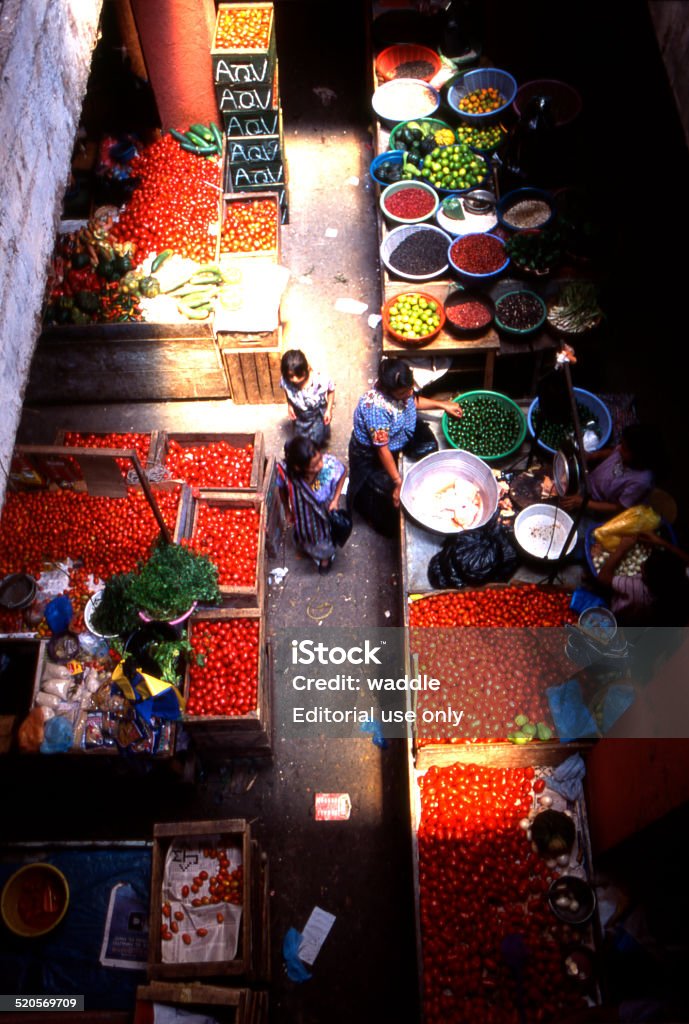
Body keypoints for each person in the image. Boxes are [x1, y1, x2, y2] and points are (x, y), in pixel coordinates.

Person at [347, 357, 463, 538]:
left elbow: (413, 401)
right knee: (385, 496)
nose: (409, 393)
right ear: (387, 390)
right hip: (372, 454)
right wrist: (397, 481)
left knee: (429, 446)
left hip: (399, 432)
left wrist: (443, 404)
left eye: (410, 389)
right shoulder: (376, 409)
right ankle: (377, 521)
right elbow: (382, 449)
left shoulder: (403, 391)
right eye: (403, 393)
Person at [277, 436, 347, 575]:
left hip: (324, 516)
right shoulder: (287, 473)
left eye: (320, 459)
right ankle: (309, 549)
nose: (320, 465)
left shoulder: (329, 465)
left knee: (325, 540)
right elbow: (282, 489)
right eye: (314, 466)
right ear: (298, 468)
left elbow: (343, 473)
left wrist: (335, 500)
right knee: (306, 536)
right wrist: (287, 510)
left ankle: (325, 559)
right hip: (302, 517)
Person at [562, 424, 660, 520]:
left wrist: (582, 502)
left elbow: (618, 507)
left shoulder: (641, 481)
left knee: (568, 519)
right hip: (589, 484)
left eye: (625, 449)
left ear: (639, 456)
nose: (620, 449)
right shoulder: (623, 451)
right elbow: (612, 452)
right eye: (621, 444)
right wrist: (593, 456)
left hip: (598, 508)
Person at [595, 531, 689, 627]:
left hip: (621, 615)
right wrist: (661, 542)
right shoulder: (678, 585)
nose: (641, 564)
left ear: (647, 579)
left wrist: (621, 548)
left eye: (644, 566)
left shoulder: (637, 588)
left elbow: (602, 577)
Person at [279, 349, 335, 447]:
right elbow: (286, 391)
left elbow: (331, 390)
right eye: (290, 376)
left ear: (307, 369)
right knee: (302, 438)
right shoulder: (285, 380)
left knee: (317, 436)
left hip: (317, 414)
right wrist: (290, 405)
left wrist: (329, 410)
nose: (294, 380)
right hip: (299, 415)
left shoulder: (320, 380)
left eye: (298, 375)